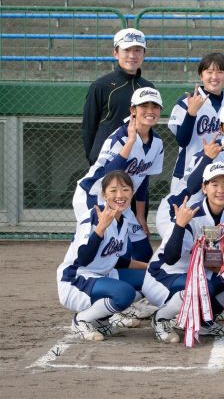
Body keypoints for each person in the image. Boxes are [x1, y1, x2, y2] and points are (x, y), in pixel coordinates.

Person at [144, 162, 224, 344]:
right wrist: (180, 225)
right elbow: (170, 257)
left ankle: (203, 321)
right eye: (214, 184)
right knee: (203, 288)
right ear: (204, 187)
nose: (221, 190)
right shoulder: (190, 213)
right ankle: (161, 318)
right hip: (165, 275)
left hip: (203, 273)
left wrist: (218, 263)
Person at [73, 87, 165, 262]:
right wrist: (130, 142)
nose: (150, 111)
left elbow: (143, 179)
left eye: (155, 106)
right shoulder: (120, 138)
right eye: (144, 106)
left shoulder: (157, 143)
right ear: (133, 110)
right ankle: (85, 279)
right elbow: (109, 175)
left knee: (144, 251)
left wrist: (140, 216)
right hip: (94, 195)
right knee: (107, 248)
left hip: (120, 200)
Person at [58, 171, 146, 341]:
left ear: (132, 193)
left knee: (149, 280)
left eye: (125, 190)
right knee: (124, 293)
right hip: (76, 279)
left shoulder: (124, 220)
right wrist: (101, 228)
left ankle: (100, 321)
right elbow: (83, 258)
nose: (120, 195)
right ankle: (81, 320)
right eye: (113, 190)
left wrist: (152, 267)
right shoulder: (93, 216)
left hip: (102, 276)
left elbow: (117, 260)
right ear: (104, 194)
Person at [167, 52, 224, 193]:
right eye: (209, 72)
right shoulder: (186, 101)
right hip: (187, 174)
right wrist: (191, 113)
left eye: (220, 72)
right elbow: (182, 140)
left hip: (221, 176)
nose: (214, 77)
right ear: (201, 75)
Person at [81, 28, 154, 165]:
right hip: (106, 161)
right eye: (126, 50)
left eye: (137, 50)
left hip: (136, 163)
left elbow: (149, 126)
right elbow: (88, 128)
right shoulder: (101, 86)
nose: (132, 55)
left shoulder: (149, 88)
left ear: (144, 54)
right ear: (115, 53)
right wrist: (94, 159)